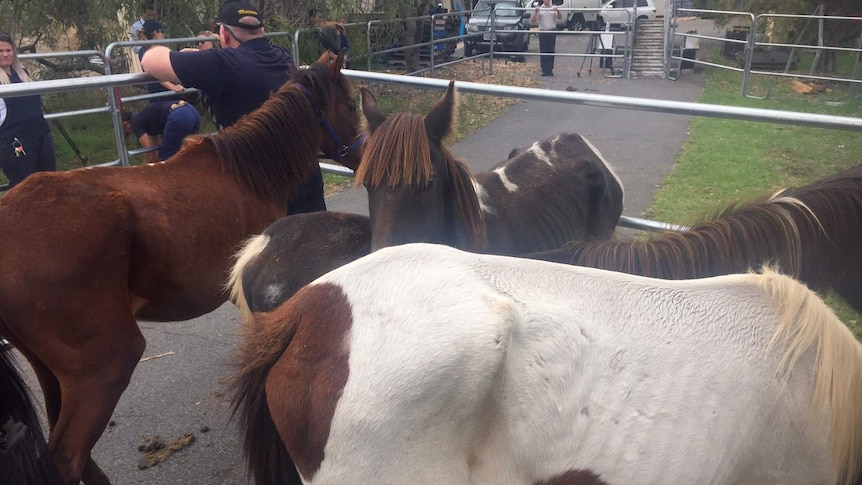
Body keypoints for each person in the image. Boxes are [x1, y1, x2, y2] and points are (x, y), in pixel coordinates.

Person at [141, 1, 326, 215]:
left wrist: (194, 56)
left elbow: (150, 59)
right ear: (261, 31)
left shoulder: (221, 63)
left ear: (224, 34)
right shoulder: (282, 56)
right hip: (306, 177)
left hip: (262, 189)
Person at [0, 32, 57, 189]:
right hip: (15, 139)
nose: (5, 54)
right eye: (0, 51)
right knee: (25, 187)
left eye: (8, 50)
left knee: (50, 183)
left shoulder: (22, 72)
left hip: (40, 134)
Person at [122, 100, 201, 163]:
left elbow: (149, 150)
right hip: (190, 109)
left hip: (179, 116)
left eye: (125, 132)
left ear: (125, 124)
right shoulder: (143, 117)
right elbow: (155, 146)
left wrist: (151, 170)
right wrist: (157, 159)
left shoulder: (135, 123)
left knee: (168, 157)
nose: (128, 134)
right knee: (191, 151)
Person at [137, 19, 185, 102]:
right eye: (162, 31)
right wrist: (173, 87)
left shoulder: (158, 48)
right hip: (161, 95)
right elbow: (155, 73)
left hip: (165, 93)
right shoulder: (146, 51)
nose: (164, 34)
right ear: (155, 33)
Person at [531, 0, 561, 76]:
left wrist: (558, 11)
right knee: (543, 50)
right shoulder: (540, 9)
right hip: (543, 31)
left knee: (551, 50)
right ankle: (544, 70)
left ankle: (550, 69)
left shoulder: (553, 8)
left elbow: (560, 17)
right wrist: (536, 12)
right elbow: (533, 20)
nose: (548, 1)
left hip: (552, 31)